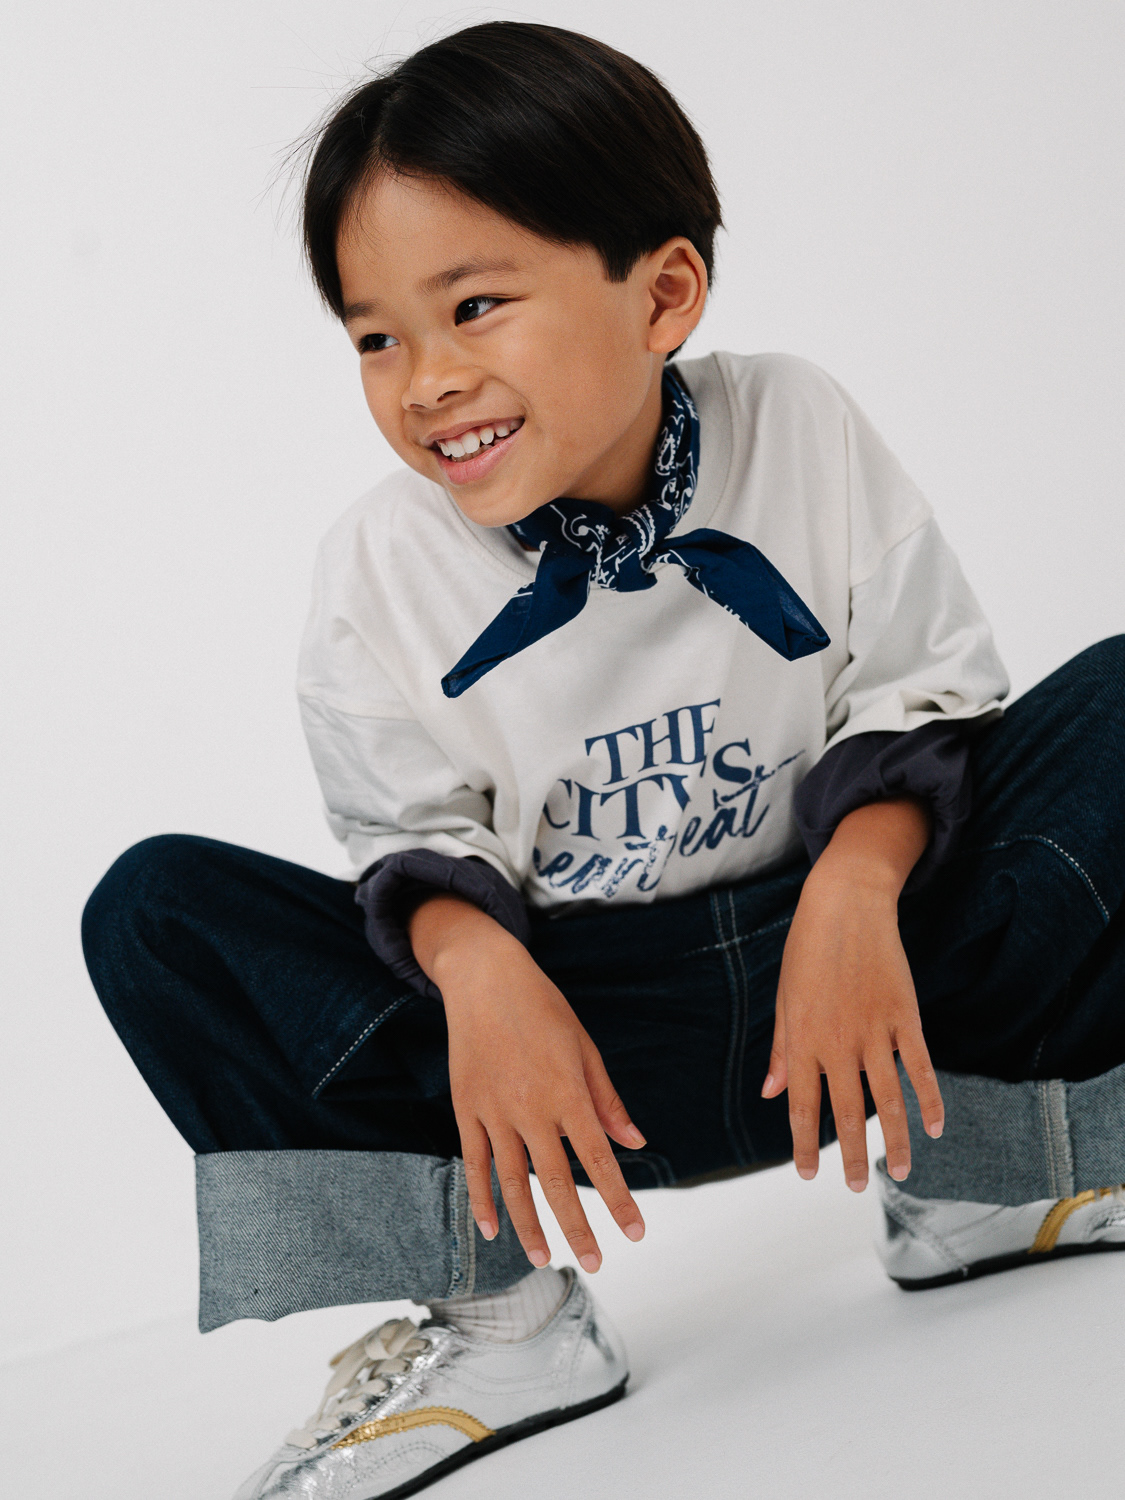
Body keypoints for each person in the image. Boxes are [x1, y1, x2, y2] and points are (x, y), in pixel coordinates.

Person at [81, 21, 1125, 1500]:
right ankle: (506, 1321)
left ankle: (985, 1178)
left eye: (475, 306)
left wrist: (853, 889)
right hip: (564, 1059)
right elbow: (407, 833)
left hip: (860, 994)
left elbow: (920, 690)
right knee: (158, 911)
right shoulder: (379, 568)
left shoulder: (797, 424)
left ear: (664, 293)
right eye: (376, 337)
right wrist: (479, 972)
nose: (425, 380)